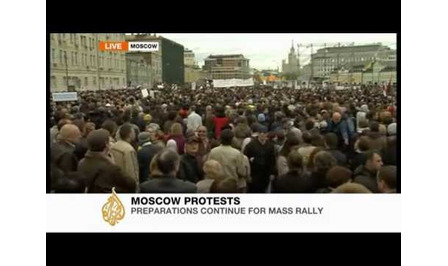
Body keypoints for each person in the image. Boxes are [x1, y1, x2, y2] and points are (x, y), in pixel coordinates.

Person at [244, 125, 276, 193]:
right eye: (260, 132)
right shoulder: (251, 145)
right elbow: (245, 159)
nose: (262, 134)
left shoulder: (270, 146)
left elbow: (272, 160)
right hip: (254, 174)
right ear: (258, 133)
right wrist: (248, 174)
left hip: (265, 174)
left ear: (267, 134)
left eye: (264, 132)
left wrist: (272, 173)